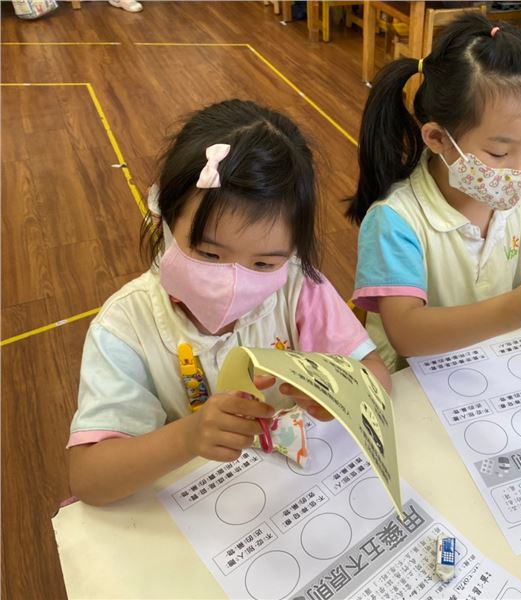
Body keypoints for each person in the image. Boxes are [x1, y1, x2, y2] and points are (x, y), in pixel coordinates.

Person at [68, 99, 390, 505]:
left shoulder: (298, 288)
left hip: (288, 494)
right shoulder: (126, 326)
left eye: (263, 263)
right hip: (195, 506)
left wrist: (339, 392)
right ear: (162, 218)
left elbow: (377, 376)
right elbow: (89, 479)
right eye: (209, 254)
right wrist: (188, 437)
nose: (233, 282)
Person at [347, 13, 521, 373]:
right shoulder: (396, 220)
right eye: (499, 153)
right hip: (417, 382)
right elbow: (407, 334)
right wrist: (514, 310)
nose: (519, 170)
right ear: (438, 138)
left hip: (494, 367)